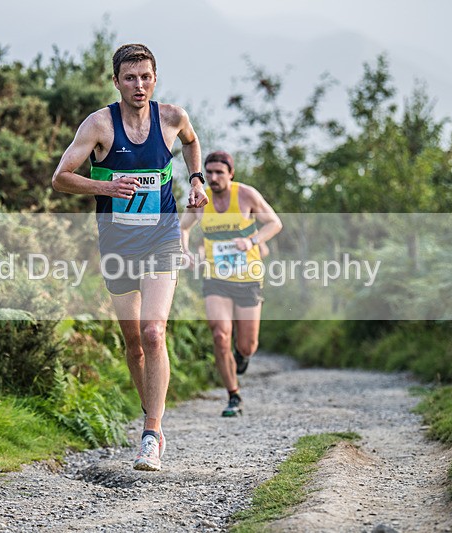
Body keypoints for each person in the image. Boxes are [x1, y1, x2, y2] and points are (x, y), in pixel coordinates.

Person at [52, 43, 208, 471]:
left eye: (145, 76)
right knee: (134, 343)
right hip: (118, 244)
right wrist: (107, 187)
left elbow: (193, 144)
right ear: (116, 81)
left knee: (154, 331)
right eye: (129, 78)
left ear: (155, 78)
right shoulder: (99, 124)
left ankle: (152, 434)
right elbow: (61, 177)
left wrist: (196, 180)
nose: (138, 85)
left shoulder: (173, 118)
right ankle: (151, 415)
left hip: (162, 236)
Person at [180, 150, 282, 417]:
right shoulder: (201, 199)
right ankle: (233, 396)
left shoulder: (246, 195)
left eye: (218, 172)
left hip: (248, 277)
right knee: (220, 334)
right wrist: (186, 251)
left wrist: (251, 241)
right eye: (208, 172)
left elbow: (274, 223)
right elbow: (183, 227)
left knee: (247, 345)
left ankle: (243, 356)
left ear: (230, 174)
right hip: (216, 278)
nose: (213, 178)